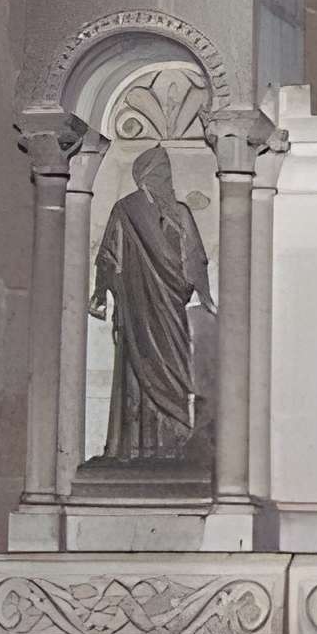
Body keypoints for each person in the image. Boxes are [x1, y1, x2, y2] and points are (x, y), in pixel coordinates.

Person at [90, 145, 211, 464]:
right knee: (136, 372)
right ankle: (133, 449)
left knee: (175, 368)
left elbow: (195, 258)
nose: (165, 180)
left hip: (171, 308)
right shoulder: (125, 211)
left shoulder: (180, 212)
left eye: (167, 173)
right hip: (138, 309)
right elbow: (108, 257)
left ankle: (175, 442)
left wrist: (203, 294)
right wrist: (101, 293)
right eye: (159, 173)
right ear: (143, 177)